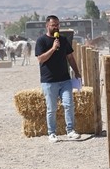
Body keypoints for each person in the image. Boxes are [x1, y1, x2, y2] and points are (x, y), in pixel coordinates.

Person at [35, 15, 85, 143]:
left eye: (57, 24)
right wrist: (52, 48)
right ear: (47, 26)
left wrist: (77, 72)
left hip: (65, 79)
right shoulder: (41, 41)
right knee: (51, 108)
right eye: (53, 25)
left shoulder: (63, 40)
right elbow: (40, 59)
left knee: (69, 105)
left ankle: (70, 130)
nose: (56, 27)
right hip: (49, 81)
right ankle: (51, 133)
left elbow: (70, 57)